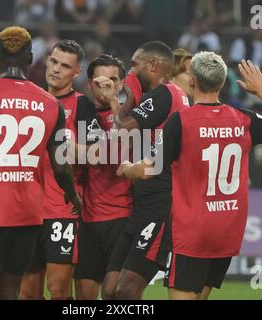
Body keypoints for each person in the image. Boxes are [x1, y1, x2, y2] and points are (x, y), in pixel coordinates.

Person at [118, 54, 262, 300]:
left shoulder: (182, 121)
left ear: (192, 81)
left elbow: (150, 169)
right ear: (221, 84)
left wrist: (127, 168)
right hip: (227, 228)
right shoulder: (243, 119)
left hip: (193, 230)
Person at [0, 26, 81, 300]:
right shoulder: (50, 104)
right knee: (10, 293)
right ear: (31, 57)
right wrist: (72, 196)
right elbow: (60, 166)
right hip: (27, 217)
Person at [95, 41, 190, 300]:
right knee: (110, 289)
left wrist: (127, 94)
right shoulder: (170, 97)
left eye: (135, 65)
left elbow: (121, 128)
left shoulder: (165, 93)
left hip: (160, 203)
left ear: (153, 65)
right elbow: (129, 135)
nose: (131, 72)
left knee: (126, 290)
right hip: (144, 203)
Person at [20, 40, 84, 300]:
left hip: (62, 208)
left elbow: (100, 154)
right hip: (27, 208)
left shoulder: (83, 106)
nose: (56, 69)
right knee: (27, 292)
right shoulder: (29, 102)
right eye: (54, 61)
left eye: (65, 66)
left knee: (58, 290)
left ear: (76, 73)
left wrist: (67, 146)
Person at [73, 54, 133, 300]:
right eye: (100, 81)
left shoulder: (135, 116)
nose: (107, 85)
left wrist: (113, 104)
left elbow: (126, 155)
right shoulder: (79, 116)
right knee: (85, 299)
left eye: (113, 80)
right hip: (88, 219)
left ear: (122, 84)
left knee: (114, 294)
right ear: (89, 85)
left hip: (123, 219)